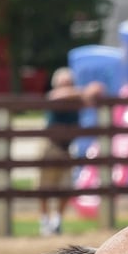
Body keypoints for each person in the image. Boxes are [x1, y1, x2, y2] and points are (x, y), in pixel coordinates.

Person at [38, 67, 103, 236]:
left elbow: (96, 91)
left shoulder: (78, 100)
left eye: (69, 83)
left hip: (68, 147)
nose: (67, 87)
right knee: (44, 186)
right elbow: (56, 96)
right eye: (63, 83)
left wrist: (91, 91)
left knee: (66, 186)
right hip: (51, 146)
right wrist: (84, 91)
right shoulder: (56, 96)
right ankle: (44, 221)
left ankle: (57, 221)